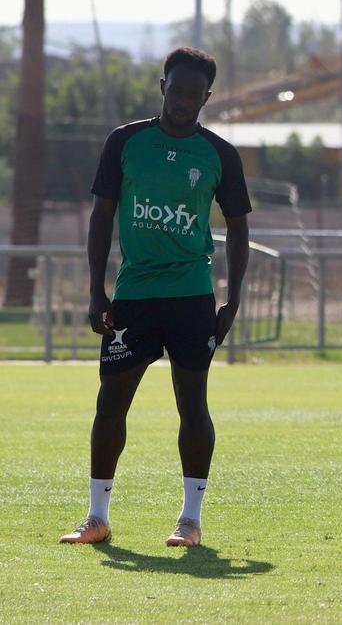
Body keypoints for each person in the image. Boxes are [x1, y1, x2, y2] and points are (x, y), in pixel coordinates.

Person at [58, 47, 252, 548]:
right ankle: (97, 517)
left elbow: (238, 226)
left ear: (206, 97)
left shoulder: (220, 154)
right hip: (133, 297)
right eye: (176, 88)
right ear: (160, 84)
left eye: (194, 93)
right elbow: (102, 215)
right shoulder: (125, 141)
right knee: (110, 405)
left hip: (191, 298)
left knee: (194, 406)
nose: (183, 100)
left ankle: (190, 519)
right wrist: (95, 287)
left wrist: (232, 300)